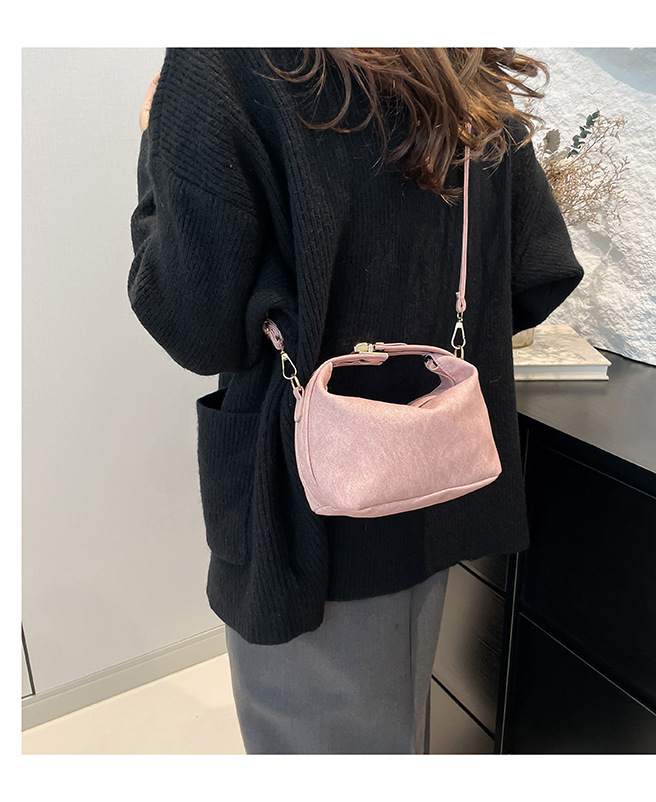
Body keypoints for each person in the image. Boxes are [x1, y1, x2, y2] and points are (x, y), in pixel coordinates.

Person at [129, 48, 584, 754]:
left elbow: (194, 323)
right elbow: (535, 273)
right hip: (439, 484)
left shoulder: (222, 58)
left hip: (304, 510)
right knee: (395, 728)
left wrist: (157, 143)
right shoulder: (460, 61)